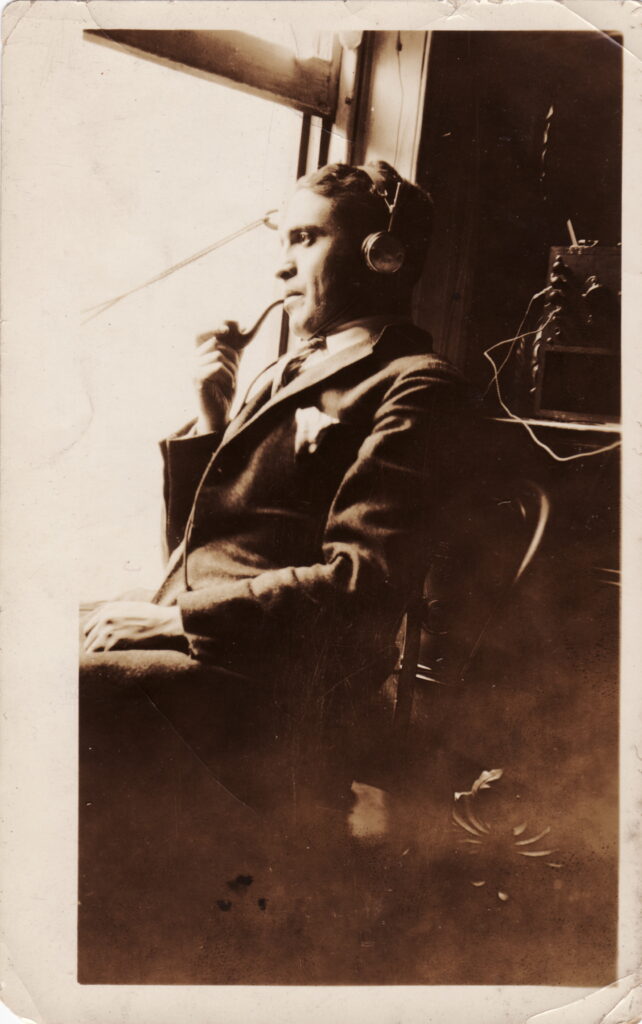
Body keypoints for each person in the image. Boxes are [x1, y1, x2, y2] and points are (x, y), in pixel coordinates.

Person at [80, 160, 473, 810]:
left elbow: (364, 581)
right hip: (219, 653)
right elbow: (202, 555)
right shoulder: (285, 372)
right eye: (281, 240)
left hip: (276, 694)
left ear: (383, 255)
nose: (281, 268)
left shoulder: (419, 385)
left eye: (305, 239)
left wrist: (174, 620)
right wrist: (213, 420)